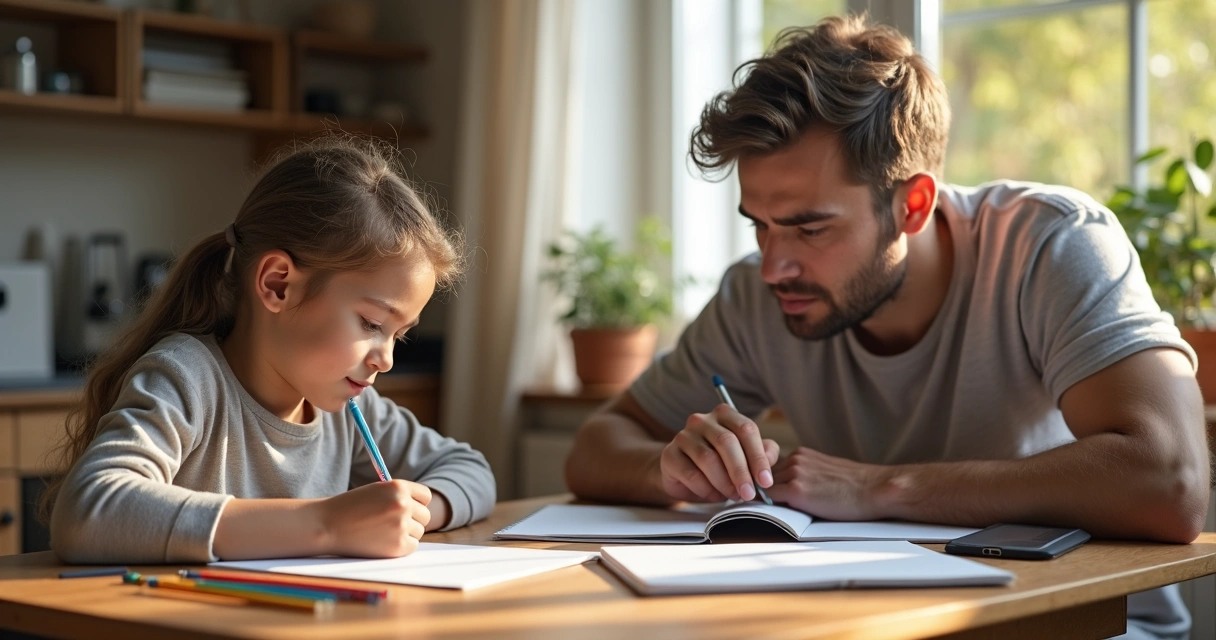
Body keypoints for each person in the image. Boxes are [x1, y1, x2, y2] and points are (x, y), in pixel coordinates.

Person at [564, 15, 1210, 640]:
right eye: (759, 223)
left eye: (809, 227)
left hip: (1087, 625)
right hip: (874, 620)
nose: (773, 265)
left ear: (913, 205)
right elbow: (597, 446)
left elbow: (1171, 481)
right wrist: (669, 471)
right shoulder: (757, 295)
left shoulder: (1050, 243)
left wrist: (879, 487)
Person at [46, 136, 495, 564]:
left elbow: (469, 469)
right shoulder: (187, 378)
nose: (386, 359)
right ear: (277, 284)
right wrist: (326, 524)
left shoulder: (354, 411)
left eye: (398, 335)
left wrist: (413, 515)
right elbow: (88, 510)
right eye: (372, 324)